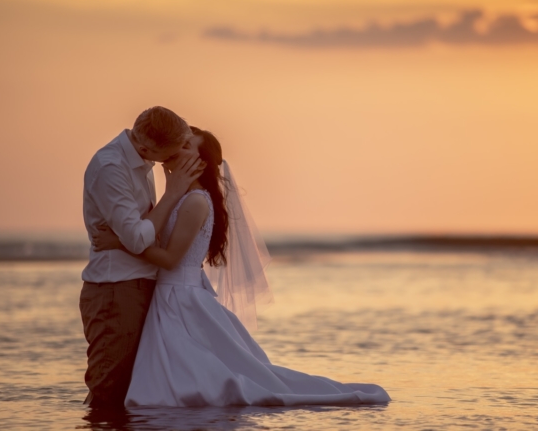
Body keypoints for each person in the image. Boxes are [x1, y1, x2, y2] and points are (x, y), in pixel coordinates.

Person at [93, 126, 391, 407]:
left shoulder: (195, 202)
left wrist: (121, 242)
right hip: (172, 296)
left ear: (200, 163)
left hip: (179, 298)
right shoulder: (181, 197)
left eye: (186, 146)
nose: (176, 148)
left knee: (190, 383)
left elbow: (170, 259)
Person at [80, 106, 205, 408]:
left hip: (141, 285)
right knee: (109, 387)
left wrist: (123, 239)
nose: (180, 157)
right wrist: (172, 192)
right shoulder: (111, 167)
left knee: (130, 388)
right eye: (176, 150)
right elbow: (137, 237)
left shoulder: (143, 162)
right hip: (117, 288)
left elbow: (148, 232)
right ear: (147, 148)